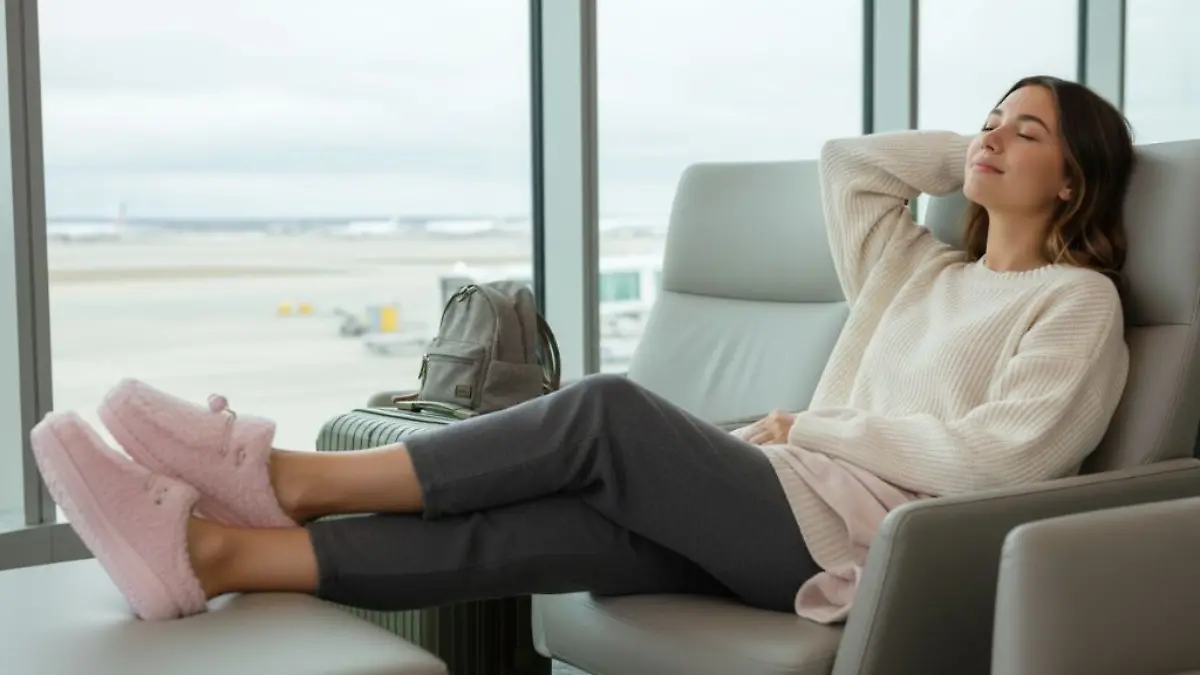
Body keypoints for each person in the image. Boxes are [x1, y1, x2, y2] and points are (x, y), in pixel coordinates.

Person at [30, 74, 1136, 624]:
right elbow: (849, 162)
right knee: (541, 533)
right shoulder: (915, 270)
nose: (992, 135)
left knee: (603, 409)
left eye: (1024, 132)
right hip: (785, 496)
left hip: (856, 538)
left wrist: (820, 424)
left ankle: (279, 480)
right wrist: (968, 152)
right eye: (990, 118)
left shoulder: (1075, 306)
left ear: (1075, 179)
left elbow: (1009, 463)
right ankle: (211, 559)